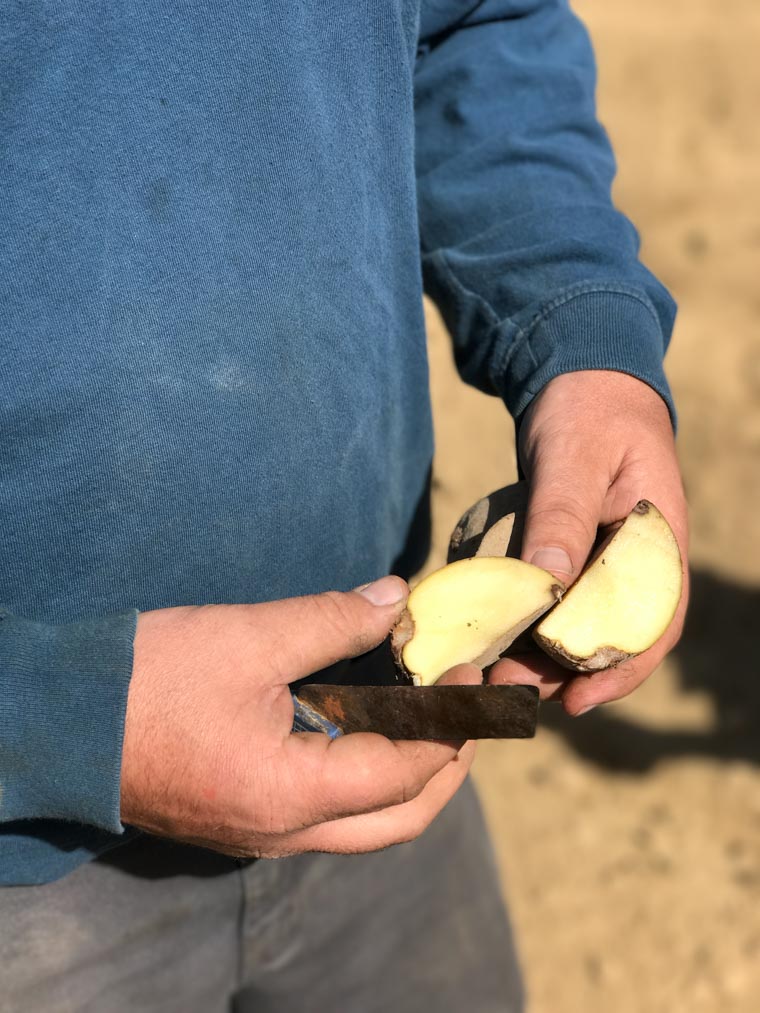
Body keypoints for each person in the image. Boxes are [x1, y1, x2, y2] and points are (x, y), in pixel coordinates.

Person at [0, 1, 688, 1010]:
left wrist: (583, 336)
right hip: (32, 873)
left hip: (390, 731)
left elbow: (475, 26)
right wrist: (58, 719)